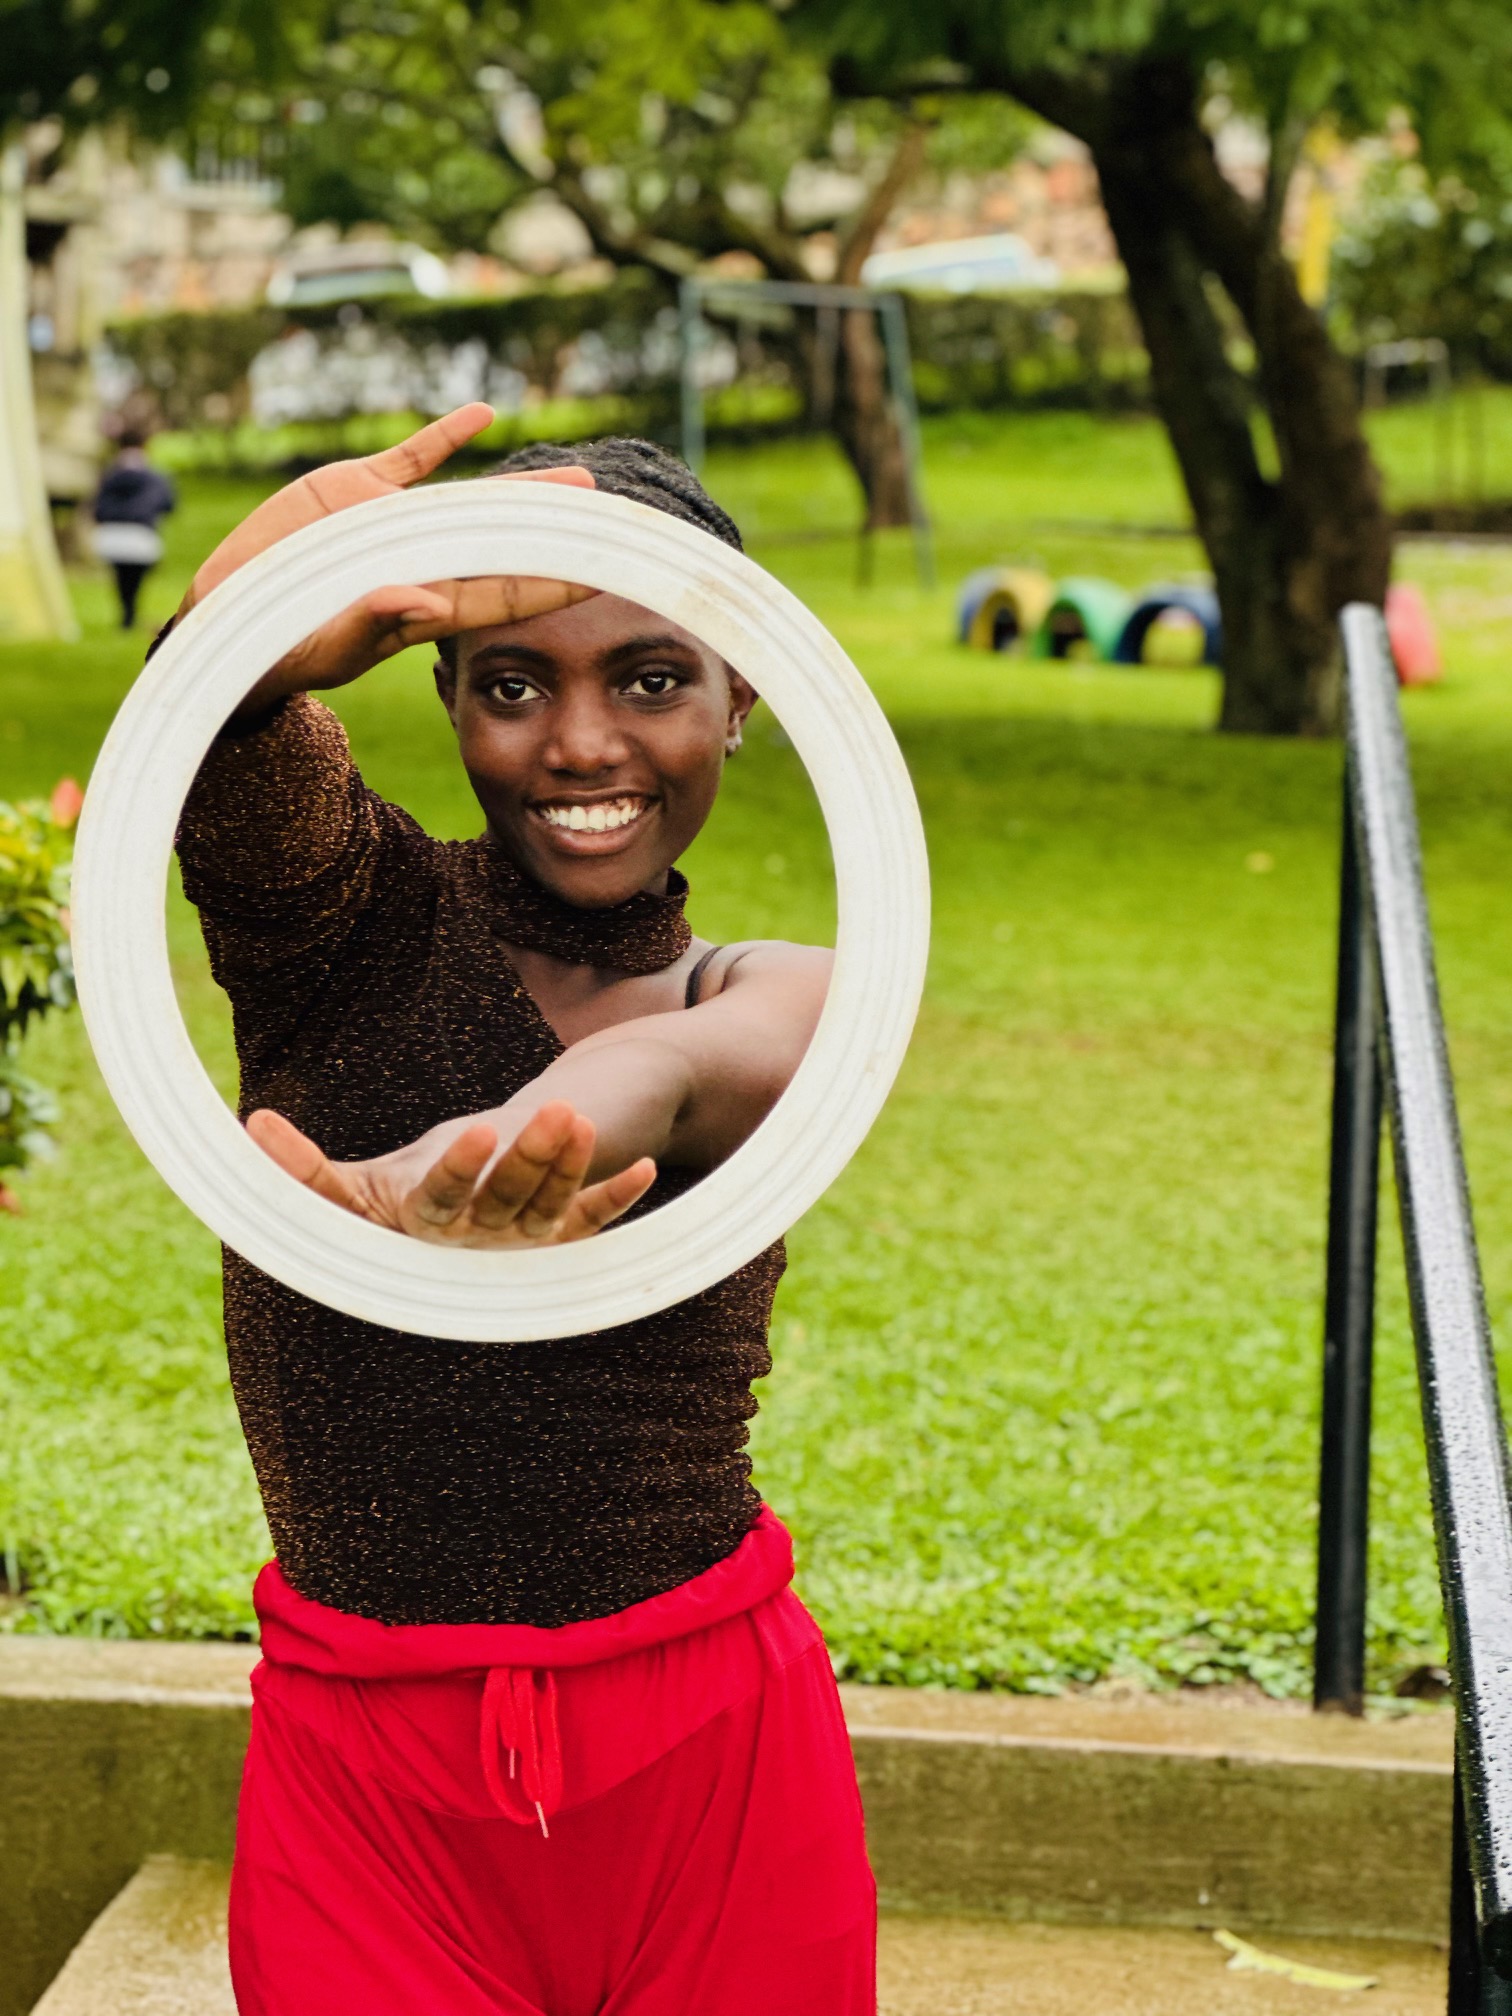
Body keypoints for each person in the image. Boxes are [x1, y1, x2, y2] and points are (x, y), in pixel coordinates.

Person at [162, 404, 875, 2016]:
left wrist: (476, 1164)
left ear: (745, 692)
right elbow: (198, 743)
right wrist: (262, 618)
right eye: (512, 683)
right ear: (444, 694)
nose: (580, 746)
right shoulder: (341, 920)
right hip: (363, 1775)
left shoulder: (764, 989)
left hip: (710, 1758)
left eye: (650, 677)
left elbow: (697, 1068)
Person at [92, 427, 176, 629]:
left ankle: (127, 614)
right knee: (135, 580)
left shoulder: (109, 474)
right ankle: (130, 612)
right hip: (141, 536)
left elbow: (97, 507)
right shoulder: (156, 476)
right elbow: (168, 504)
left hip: (111, 536)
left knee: (122, 580)